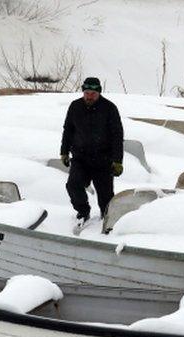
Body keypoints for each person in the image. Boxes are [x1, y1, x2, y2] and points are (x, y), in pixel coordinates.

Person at [60, 77, 124, 227]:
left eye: (93, 94)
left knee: (106, 196)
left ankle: (106, 217)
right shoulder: (75, 106)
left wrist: (117, 161)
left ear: (99, 93)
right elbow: (68, 130)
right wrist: (64, 152)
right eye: (87, 93)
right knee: (73, 185)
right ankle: (83, 211)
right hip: (80, 158)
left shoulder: (109, 108)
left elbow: (117, 136)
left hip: (103, 159)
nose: (89, 96)